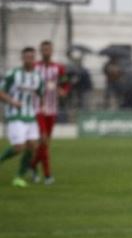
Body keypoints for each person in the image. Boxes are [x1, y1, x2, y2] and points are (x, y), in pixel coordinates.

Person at [0, 47, 44, 188]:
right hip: (15, 115)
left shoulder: (37, 77)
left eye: (31, 57)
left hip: (30, 116)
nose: (29, 60)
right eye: (26, 57)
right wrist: (12, 102)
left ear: (34, 59)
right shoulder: (13, 74)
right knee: (19, 147)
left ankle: (19, 177)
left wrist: (42, 106)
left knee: (32, 146)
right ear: (22, 58)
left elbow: (40, 93)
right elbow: (1, 92)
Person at [30, 40, 70, 185]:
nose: (46, 52)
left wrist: (63, 91)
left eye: (49, 49)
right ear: (41, 51)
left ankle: (32, 166)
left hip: (52, 109)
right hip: (37, 108)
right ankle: (47, 175)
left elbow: (66, 84)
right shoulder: (34, 67)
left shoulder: (59, 68)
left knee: (45, 144)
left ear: (52, 51)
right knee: (44, 139)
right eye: (44, 49)